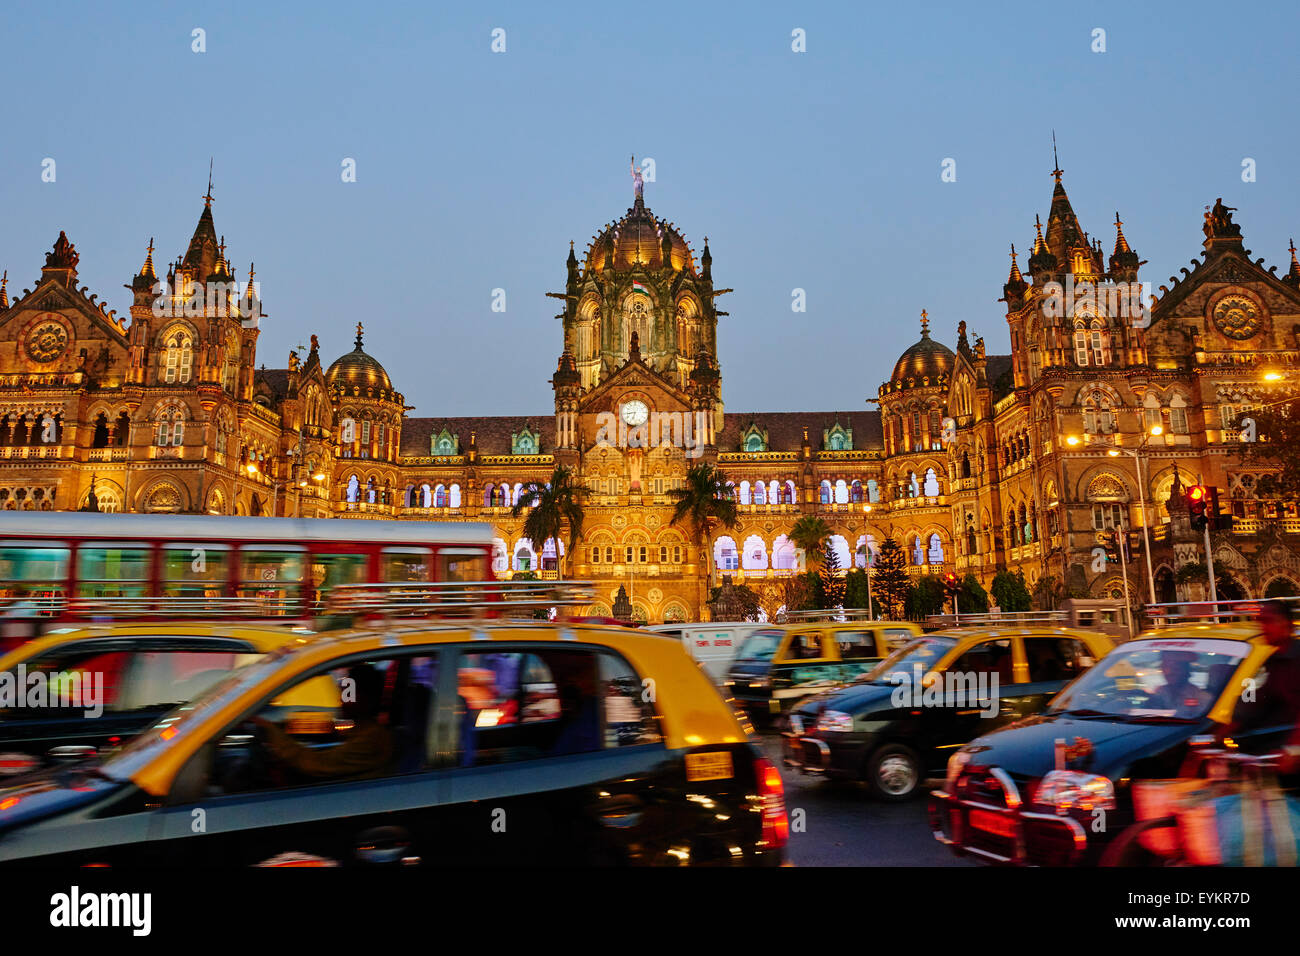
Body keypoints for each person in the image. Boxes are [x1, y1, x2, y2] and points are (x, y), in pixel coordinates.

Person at [255, 664, 394, 780]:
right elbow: (330, 727)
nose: (342, 697)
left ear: (366, 698)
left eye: (349, 692)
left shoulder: (372, 739)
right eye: (344, 690)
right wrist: (281, 726)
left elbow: (317, 764)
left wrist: (271, 731)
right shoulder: (359, 726)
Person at [1225, 600, 1300, 757]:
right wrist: (1227, 728)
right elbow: (1254, 697)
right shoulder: (1272, 662)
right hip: (1273, 747)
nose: (1263, 628)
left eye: (1268, 621)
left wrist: (1294, 749)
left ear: (1287, 624)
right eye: (1260, 622)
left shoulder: (1295, 660)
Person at [1146, 651, 1212, 718]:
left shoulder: (1202, 698)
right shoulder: (1160, 692)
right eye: (1165, 666)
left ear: (1186, 670)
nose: (1169, 672)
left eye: (1176, 668)